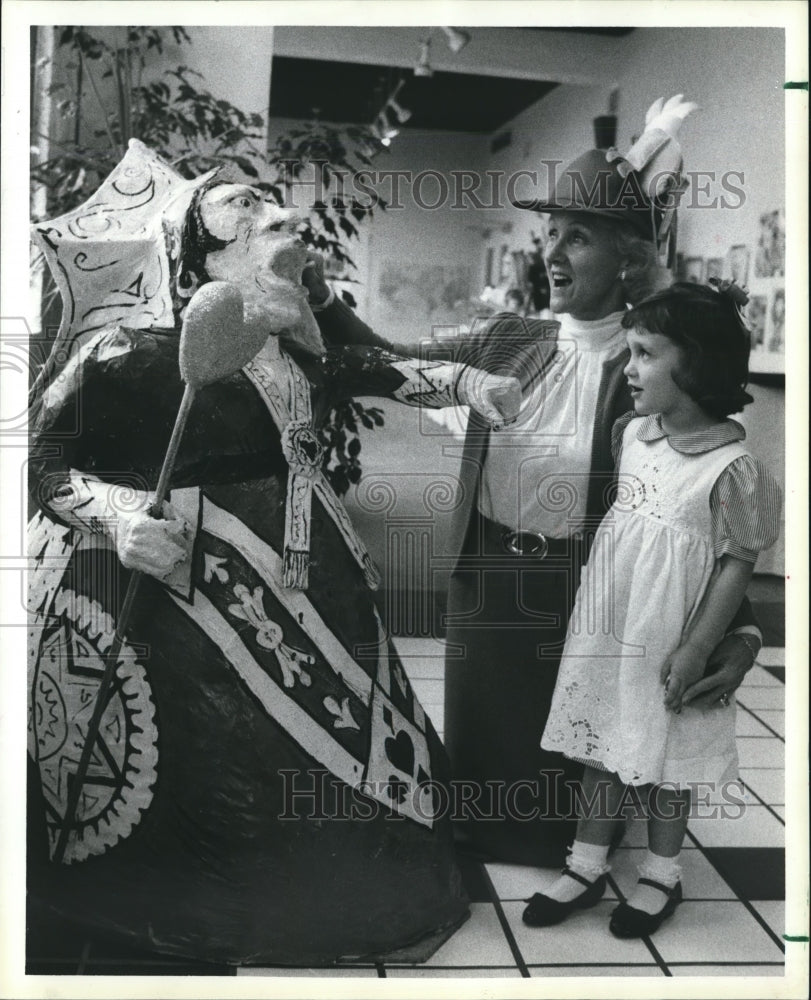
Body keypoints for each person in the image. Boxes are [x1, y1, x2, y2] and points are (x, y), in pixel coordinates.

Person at [27, 139, 520, 964]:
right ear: (195, 254)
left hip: (314, 556)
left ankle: (366, 888)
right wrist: (114, 517)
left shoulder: (292, 340)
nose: (271, 210)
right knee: (228, 761)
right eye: (240, 206)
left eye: (269, 197)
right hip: (192, 582)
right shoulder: (127, 354)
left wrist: (466, 384)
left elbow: (369, 367)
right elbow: (39, 462)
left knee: (356, 719)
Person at [305, 96, 766, 866]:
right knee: (489, 749)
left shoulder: (648, 366)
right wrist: (321, 300)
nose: (551, 253)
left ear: (624, 255)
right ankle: (493, 835)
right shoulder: (506, 340)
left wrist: (738, 630)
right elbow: (393, 361)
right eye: (547, 234)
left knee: (584, 750)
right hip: (487, 576)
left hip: (593, 586)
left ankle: (587, 851)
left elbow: (692, 507)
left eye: (576, 238)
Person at [524, 280, 781, 937]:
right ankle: (583, 862)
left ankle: (661, 873)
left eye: (642, 354)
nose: (628, 368)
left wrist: (696, 646)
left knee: (667, 757)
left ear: (693, 364)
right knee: (601, 743)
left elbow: (734, 563)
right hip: (611, 623)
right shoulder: (631, 435)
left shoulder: (732, 467)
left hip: (670, 630)